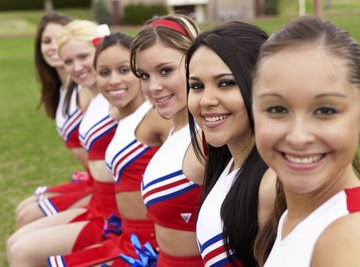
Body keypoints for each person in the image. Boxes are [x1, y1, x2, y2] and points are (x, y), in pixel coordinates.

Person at [47, 32, 172, 267]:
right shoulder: (116, 113)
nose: (113, 80)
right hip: (122, 229)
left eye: (125, 70)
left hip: (146, 245)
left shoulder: (158, 117)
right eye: (104, 72)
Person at [6, 20, 120, 267]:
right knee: (17, 243)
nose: (76, 67)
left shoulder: (119, 97)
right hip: (102, 204)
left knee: (21, 248)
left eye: (83, 57)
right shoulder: (91, 95)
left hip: (116, 215)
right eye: (69, 61)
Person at [251, 16, 360, 267]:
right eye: (277, 109)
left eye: (325, 111)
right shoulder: (294, 216)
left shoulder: (345, 239)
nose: (299, 137)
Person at [185, 21, 276, 267]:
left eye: (226, 83)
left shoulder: (272, 182)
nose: (206, 100)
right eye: (196, 86)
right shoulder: (227, 161)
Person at [130, 14, 205, 266]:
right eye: (144, 75)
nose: (153, 86)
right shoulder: (176, 129)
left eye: (165, 70)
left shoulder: (211, 138)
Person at [15, 12, 94, 229]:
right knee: (23, 210)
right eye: (46, 41)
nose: (52, 47)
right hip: (91, 179)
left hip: (105, 186)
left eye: (58, 39)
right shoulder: (61, 90)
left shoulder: (86, 88)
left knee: (28, 216)